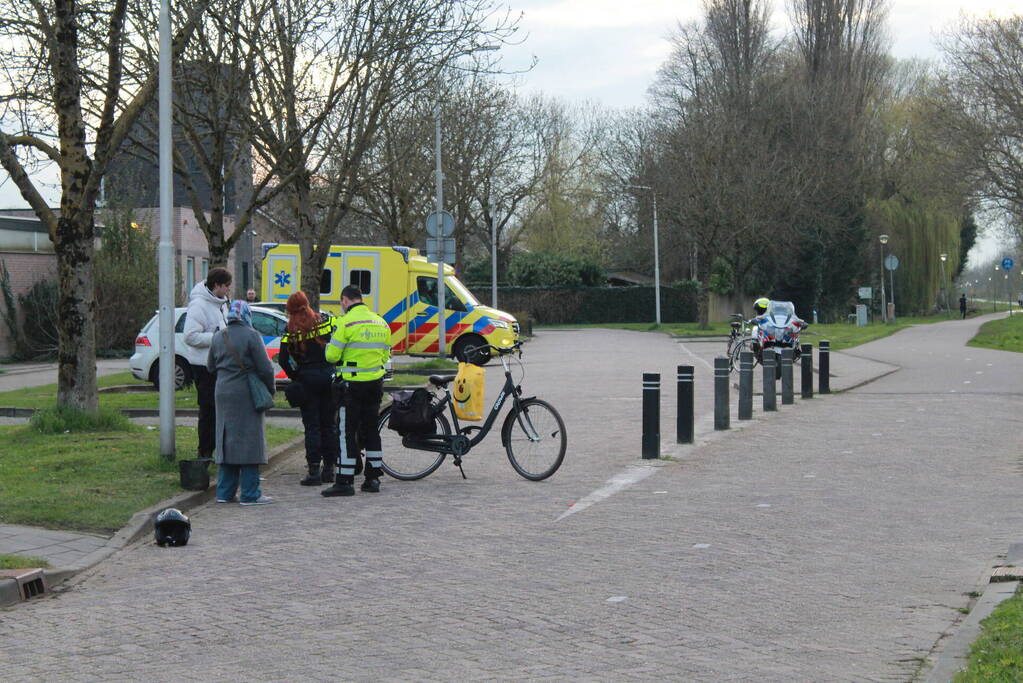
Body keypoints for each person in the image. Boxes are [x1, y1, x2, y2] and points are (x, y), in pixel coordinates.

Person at [321, 285, 391, 497]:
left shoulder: (345, 323)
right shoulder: (381, 321)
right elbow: (385, 354)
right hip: (375, 384)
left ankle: (344, 480)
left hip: (351, 387)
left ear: (344, 300)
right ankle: (373, 478)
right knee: (371, 430)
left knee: (346, 432)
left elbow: (331, 356)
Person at [206, 300, 277, 505]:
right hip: (245, 392)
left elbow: (210, 365)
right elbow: (266, 368)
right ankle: (250, 493)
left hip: (222, 391)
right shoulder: (252, 335)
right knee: (249, 441)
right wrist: (269, 389)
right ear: (246, 315)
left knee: (226, 438)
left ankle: (224, 492)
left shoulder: (219, 336)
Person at [278, 291, 338, 486]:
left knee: (312, 426)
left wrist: (295, 375)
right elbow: (336, 345)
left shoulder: (290, 330)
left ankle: (313, 471)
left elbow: (283, 359)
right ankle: (330, 469)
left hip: (306, 380)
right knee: (329, 425)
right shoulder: (324, 322)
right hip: (328, 377)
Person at [183, 267, 231, 460]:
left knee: (220, 410)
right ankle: (204, 451)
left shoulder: (221, 304)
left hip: (219, 364)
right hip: (204, 366)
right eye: (226, 285)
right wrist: (217, 337)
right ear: (216, 285)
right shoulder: (199, 305)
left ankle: (218, 449)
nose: (229, 289)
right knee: (208, 410)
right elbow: (190, 336)